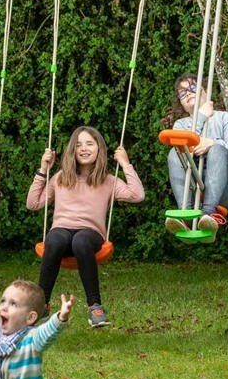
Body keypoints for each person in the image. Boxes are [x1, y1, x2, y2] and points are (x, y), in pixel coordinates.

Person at [26, 126, 144, 328]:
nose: (84, 148)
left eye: (89, 144)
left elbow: (137, 195)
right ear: (72, 150)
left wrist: (125, 163)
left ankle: (95, 306)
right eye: (79, 144)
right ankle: (42, 304)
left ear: (99, 149)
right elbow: (33, 203)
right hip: (62, 232)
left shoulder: (108, 180)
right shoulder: (61, 177)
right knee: (54, 239)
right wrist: (43, 170)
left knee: (81, 240)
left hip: (90, 235)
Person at [164, 72, 228, 241]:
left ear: (205, 92)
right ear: (181, 103)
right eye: (182, 93)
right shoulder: (180, 125)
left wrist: (212, 143)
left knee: (217, 150)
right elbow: (183, 154)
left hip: (227, 188)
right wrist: (200, 118)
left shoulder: (224, 118)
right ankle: (186, 214)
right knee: (175, 152)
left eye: (193, 87)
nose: (188, 94)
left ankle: (209, 214)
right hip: (196, 188)